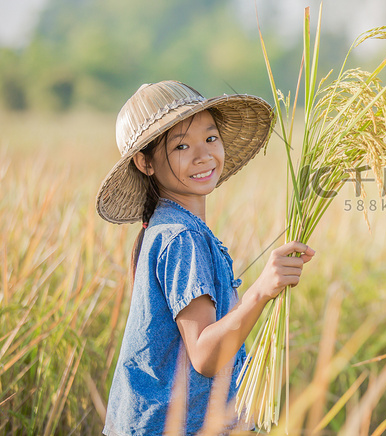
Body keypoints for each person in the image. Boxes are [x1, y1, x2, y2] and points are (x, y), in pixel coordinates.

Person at [97, 80, 315, 435]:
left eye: (210, 138)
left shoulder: (167, 227)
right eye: (181, 145)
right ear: (145, 163)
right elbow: (204, 355)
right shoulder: (181, 237)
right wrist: (262, 289)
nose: (202, 155)